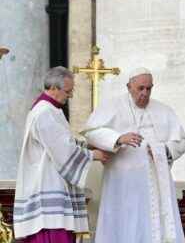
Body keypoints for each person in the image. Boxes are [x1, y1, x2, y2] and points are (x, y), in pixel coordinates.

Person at [82, 67, 185, 243]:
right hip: (123, 182)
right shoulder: (112, 106)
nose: (145, 93)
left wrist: (164, 150)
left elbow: (182, 141)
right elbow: (90, 132)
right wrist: (118, 138)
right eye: (140, 88)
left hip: (155, 180)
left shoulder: (164, 110)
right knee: (125, 225)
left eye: (149, 88)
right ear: (129, 87)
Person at [13, 67, 112, 243]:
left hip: (51, 190)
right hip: (48, 194)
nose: (71, 95)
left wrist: (86, 146)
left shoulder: (50, 110)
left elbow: (62, 142)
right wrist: (92, 155)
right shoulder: (44, 112)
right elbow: (62, 151)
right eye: (68, 91)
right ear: (54, 88)